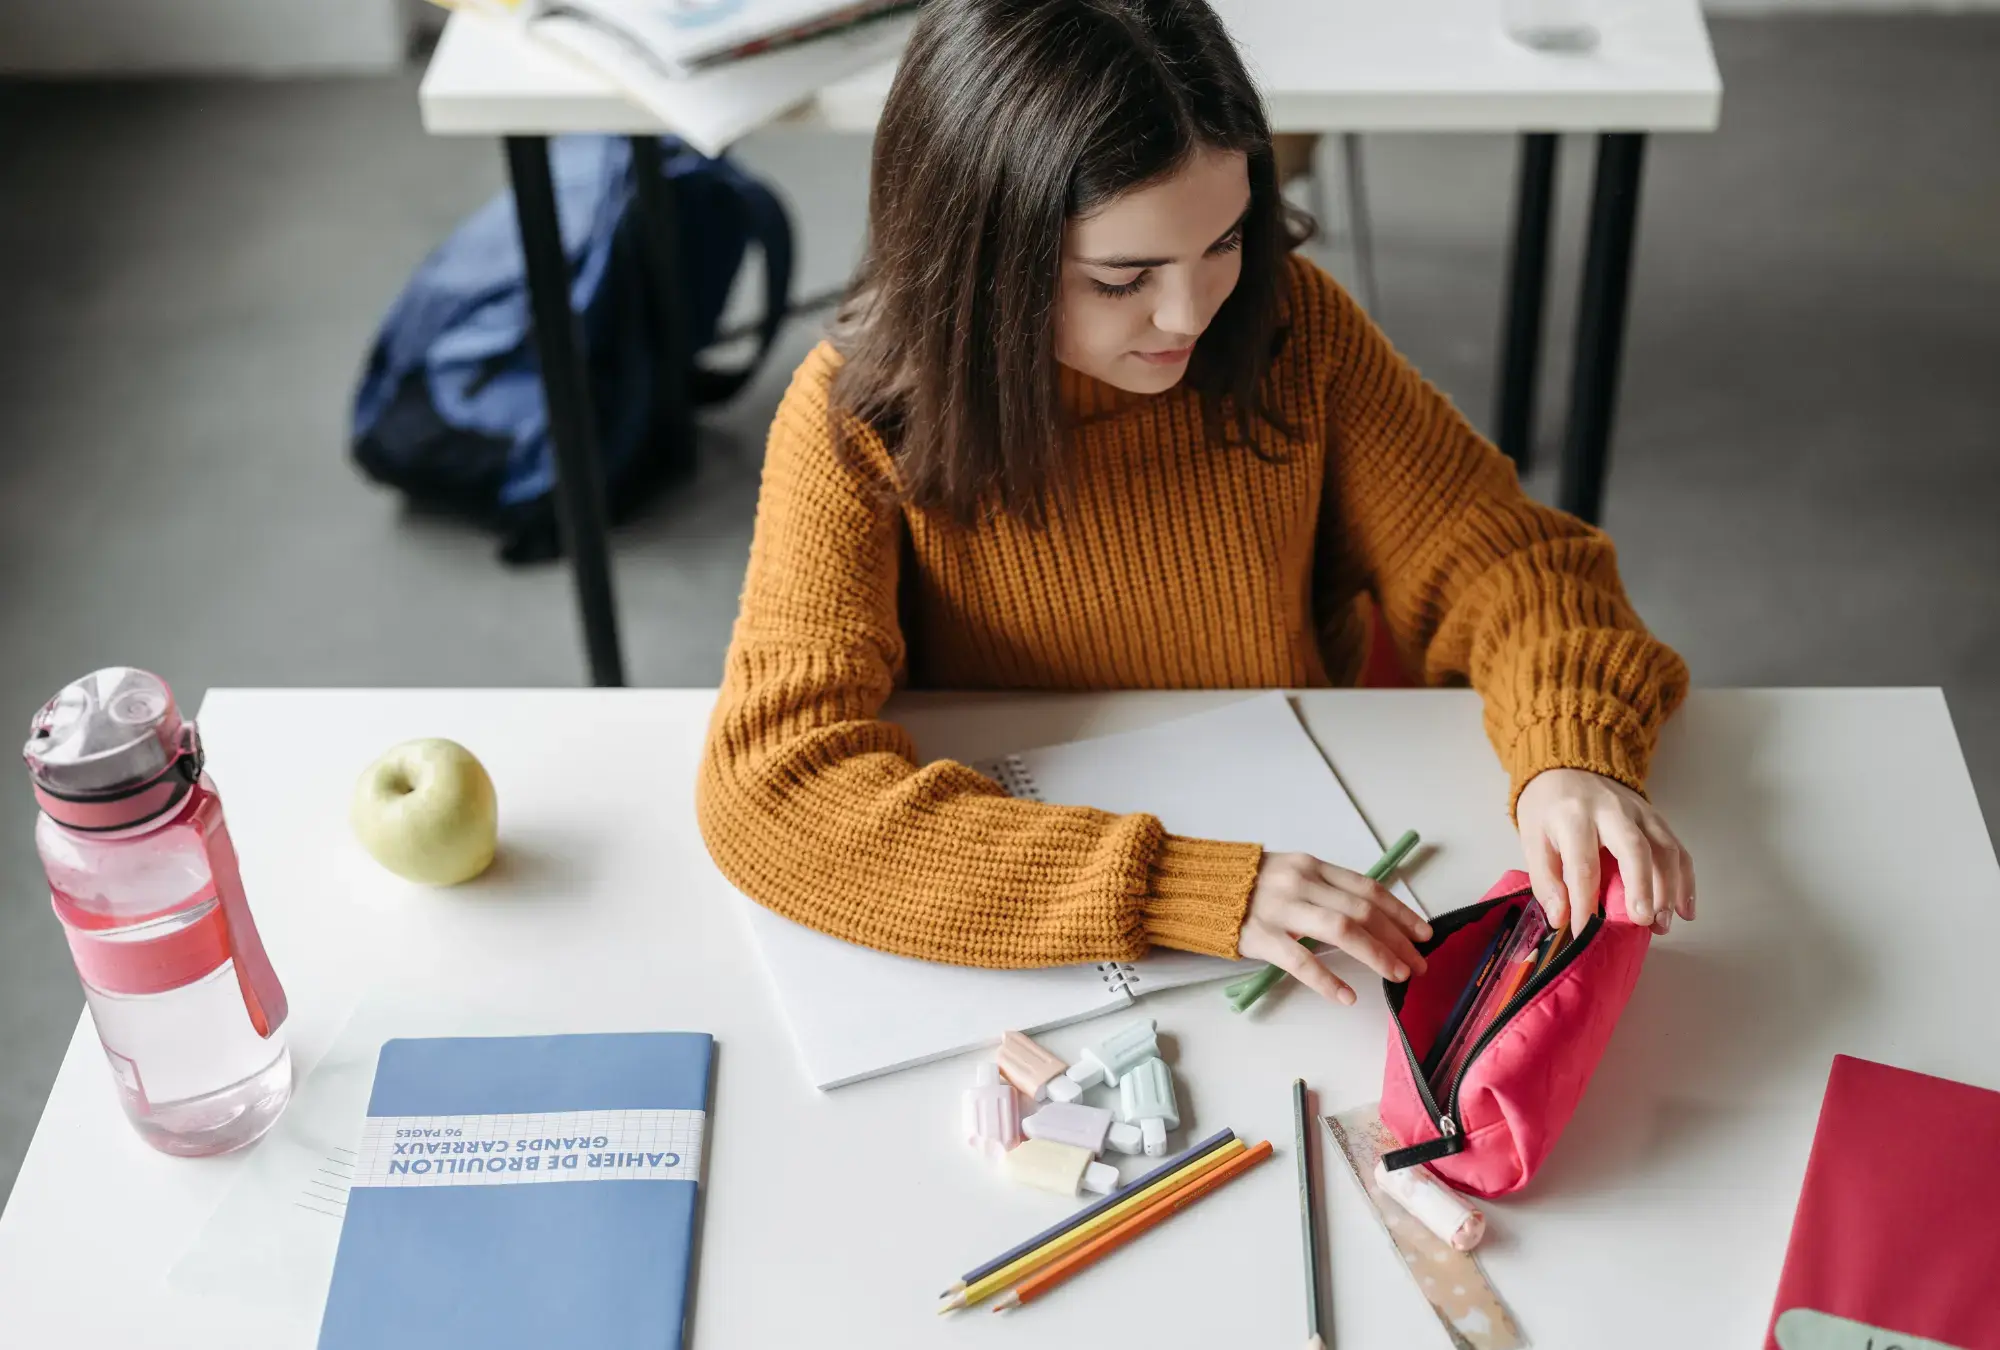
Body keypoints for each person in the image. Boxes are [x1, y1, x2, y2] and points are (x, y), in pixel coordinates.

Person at [696, 0, 1693, 1007]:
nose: (1187, 313)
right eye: (1121, 278)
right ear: (983, 262)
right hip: (1063, 944)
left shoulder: (1293, 331)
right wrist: (1179, 887)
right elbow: (774, 786)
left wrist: (1572, 752)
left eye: (1222, 241)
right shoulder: (857, 418)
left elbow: (1506, 565)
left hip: (1307, 884)